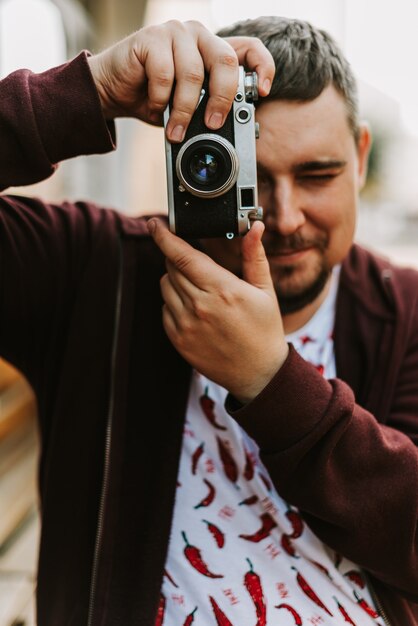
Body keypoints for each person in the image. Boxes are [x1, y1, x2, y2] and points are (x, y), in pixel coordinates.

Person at [0, 15, 417, 626]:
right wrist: (88, 93)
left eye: (317, 175)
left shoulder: (404, 308)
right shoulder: (94, 268)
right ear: (182, 157)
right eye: (245, 177)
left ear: (359, 157)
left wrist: (270, 379)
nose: (285, 215)